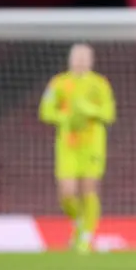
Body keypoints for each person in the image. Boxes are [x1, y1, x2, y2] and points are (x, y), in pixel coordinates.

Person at [39, 43, 116, 254]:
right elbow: (45, 111)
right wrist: (64, 117)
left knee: (89, 189)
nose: (80, 60)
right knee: (66, 193)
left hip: (92, 145)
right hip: (67, 145)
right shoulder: (59, 83)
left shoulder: (99, 84)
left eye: (84, 57)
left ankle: (86, 237)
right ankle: (80, 221)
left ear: (91, 61)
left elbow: (109, 113)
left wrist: (89, 109)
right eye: (77, 57)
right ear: (70, 59)